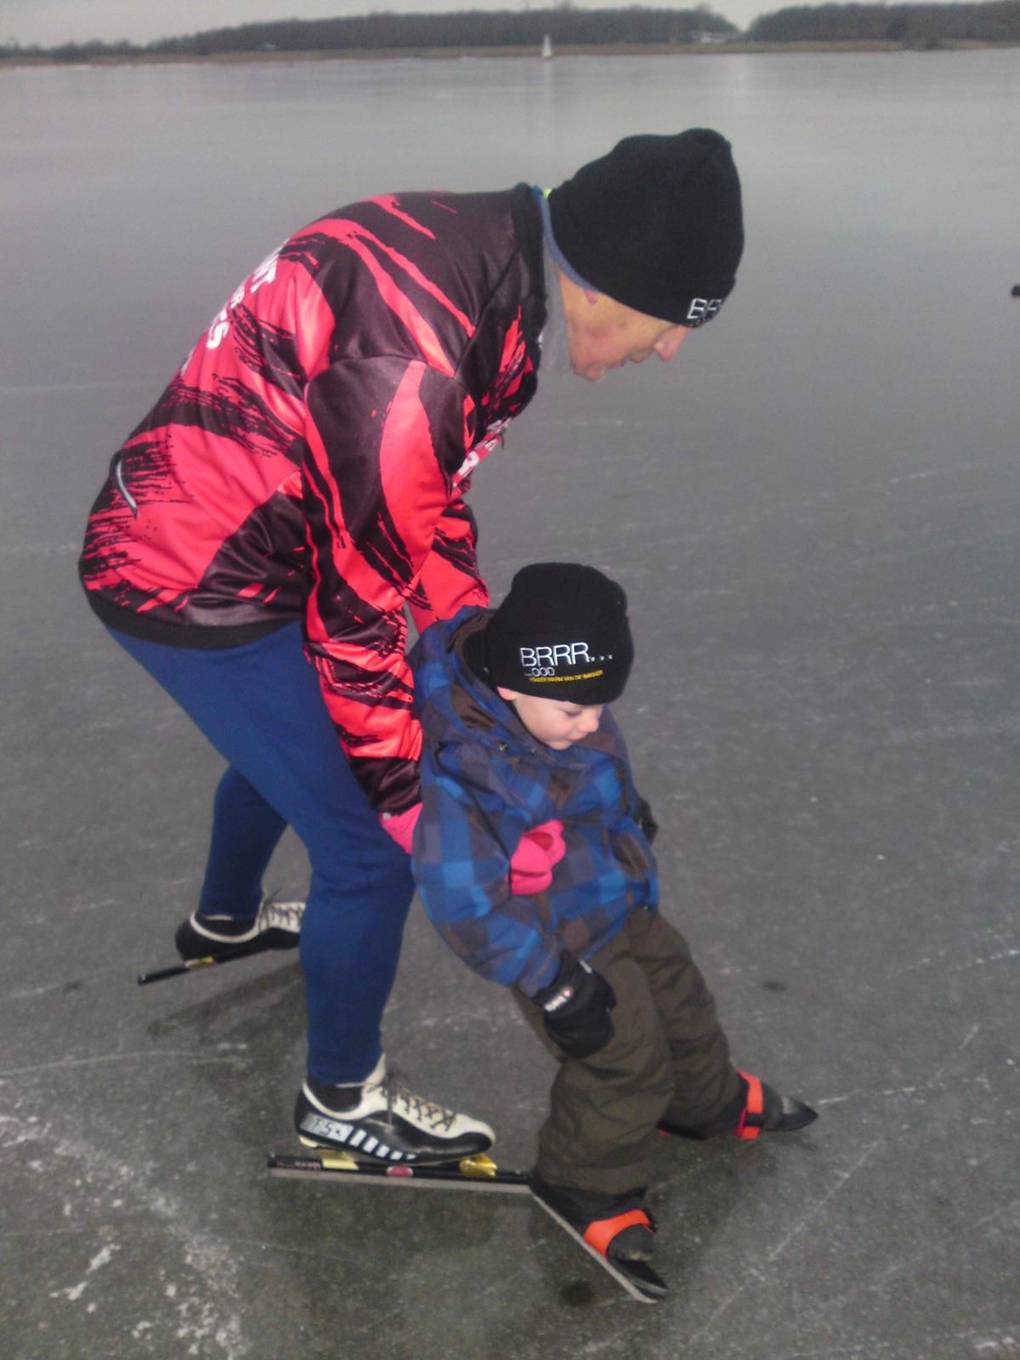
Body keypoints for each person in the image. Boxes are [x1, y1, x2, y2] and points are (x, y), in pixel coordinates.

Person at [78, 130, 745, 1164]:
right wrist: (417, 797)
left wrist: (467, 652)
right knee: (365, 853)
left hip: (243, 532)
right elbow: (356, 614)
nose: (670, 348)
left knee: (287, 744)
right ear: (615, 281)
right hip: (192, 575)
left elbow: (424, 510)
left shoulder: (493, 260)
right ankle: (341, 1098)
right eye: (673, 320)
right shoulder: (426, 349)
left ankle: (223, 920)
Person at [409, 563, 817, 1284]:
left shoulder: (559, 701)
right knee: (623, 1059)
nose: (593, 722)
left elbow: (592, 766)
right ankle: (583, 1181)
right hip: (555, 943)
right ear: (510, 686)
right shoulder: (464, 772)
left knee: (683, 1001)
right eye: (576, 712)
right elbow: (462, 905)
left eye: (602, 705)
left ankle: (705, 1103)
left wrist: (628, 817)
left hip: (617, 895)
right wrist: (553, 983)